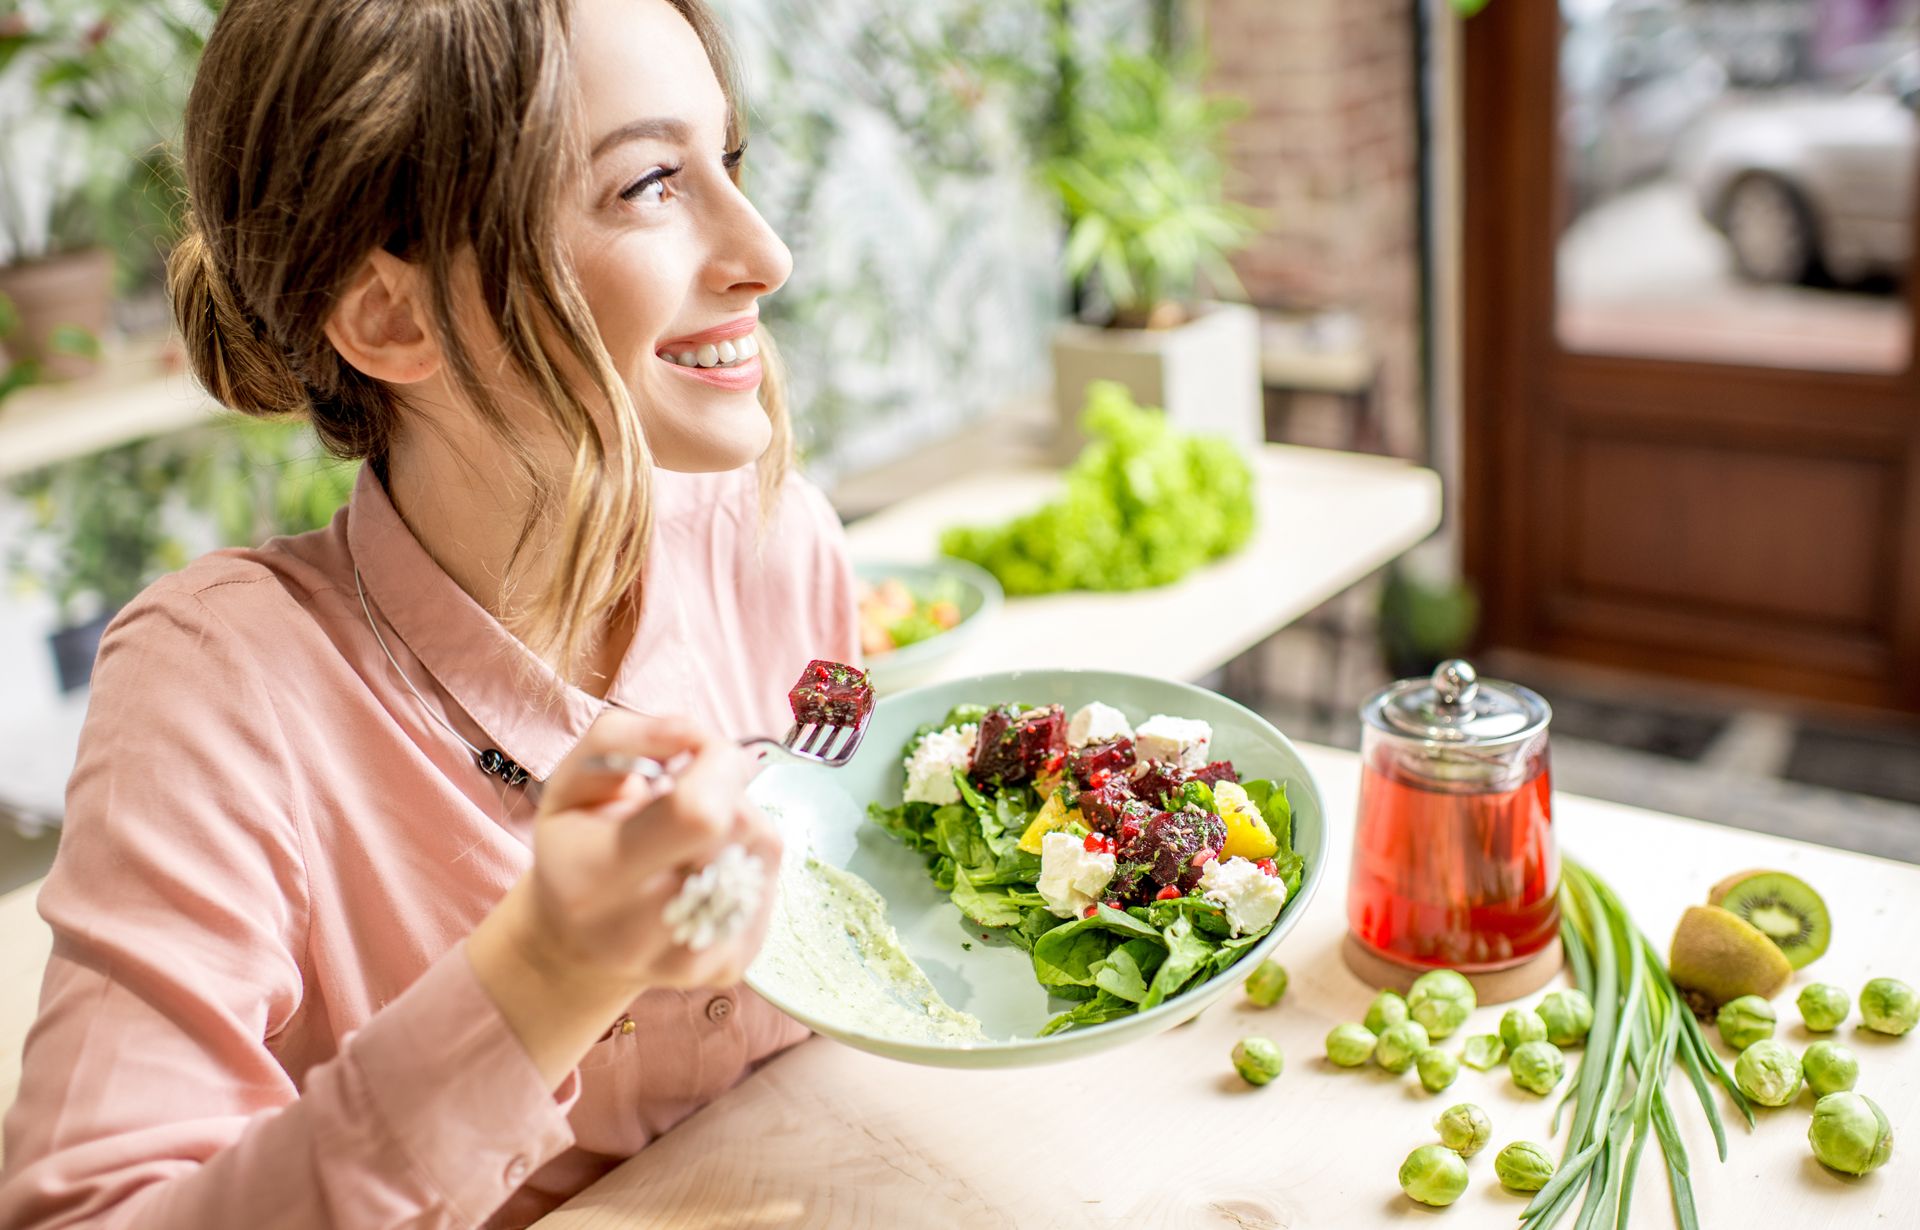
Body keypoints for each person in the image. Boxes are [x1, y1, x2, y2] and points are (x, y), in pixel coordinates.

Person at [0, 1, 857, 1226]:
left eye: (728, 161)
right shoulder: (218, 687)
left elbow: (851, 873)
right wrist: (547, 972)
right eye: (652, 184)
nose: (767, 252)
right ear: (392, 318)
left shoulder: (777, 541)